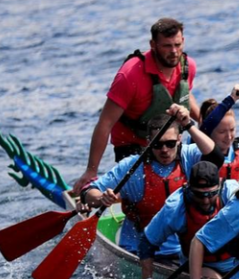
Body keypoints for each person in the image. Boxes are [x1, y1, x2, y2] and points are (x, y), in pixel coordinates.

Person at [73, 17, 201, 194]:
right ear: (153, 45)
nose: (174, 51)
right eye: (166, 46)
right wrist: (91, 170)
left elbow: (184, 94)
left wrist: (206, 121)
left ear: (183, 42)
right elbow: (105, 124)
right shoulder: (129, 75)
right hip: (132, 145)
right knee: (149, 191)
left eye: (177, 45)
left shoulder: (188, 67)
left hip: (168, 141)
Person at [78, 106, 215, 258]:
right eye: (157, 144)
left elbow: (215, 156)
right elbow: (87, 192)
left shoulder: (189, 155)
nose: (164, 150)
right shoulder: (132, 167)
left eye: (170, 144)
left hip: (184, 249)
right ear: (149, 142)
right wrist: (100, 198)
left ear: (179, 140)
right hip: (139, 249)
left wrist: (189, 124)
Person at [137, 161, 239, 279]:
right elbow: (147, 243)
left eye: (211, 194)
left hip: (236, 261)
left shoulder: (233, 193)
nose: (206, 201)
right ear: (188, 187)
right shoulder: (175, 208)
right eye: (199, 195)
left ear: (220, 185)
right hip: (202, 266)